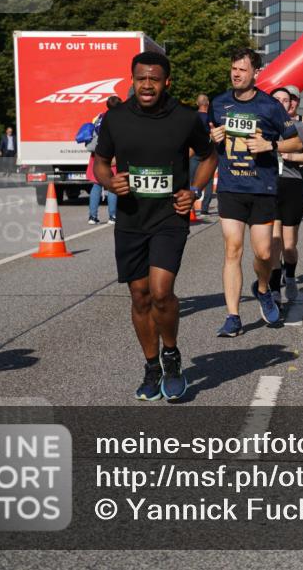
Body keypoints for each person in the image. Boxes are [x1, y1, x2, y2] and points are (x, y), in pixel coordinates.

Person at [93, 51, 217, 401]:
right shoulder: (115, 118)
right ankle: (151, 367)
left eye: (155, 79)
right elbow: (101, 162)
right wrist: (108, 182)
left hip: (168, 218)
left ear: (167, 82)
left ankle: (172, 356)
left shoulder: (185, 118)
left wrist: (193, 192)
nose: (147, 85)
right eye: (141, 78)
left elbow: (209, 156)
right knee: (139, 295)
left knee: (161, 293)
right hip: (131, 218)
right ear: (132, 80)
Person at [210, 48, 302, 337]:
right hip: (230, 187)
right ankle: (233, 316)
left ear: (255, 73)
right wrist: (213, 139)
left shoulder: (269, 107)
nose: (236, 74)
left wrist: (270, 146)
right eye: (233, 68)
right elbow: (212, 147)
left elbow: (296, 142)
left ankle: (262, 289)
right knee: (232, 249)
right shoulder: (219, 103)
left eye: (242, 69)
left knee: (263, 253)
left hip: (262, 188)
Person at [268, 87, 303, 306]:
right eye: (276, 100)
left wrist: (293, 156)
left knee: (288, 245)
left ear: (291, 104)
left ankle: (289, 276)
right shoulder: (263, 126)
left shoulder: (298, 127)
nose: (281, 103)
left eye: (285, 100)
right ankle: (273, 289)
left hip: (292, 185)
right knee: (273, 242)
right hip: (268, 186)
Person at [86, 96, 122, 224]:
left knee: (96, 185)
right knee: (112, 185)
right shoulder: (119, 119)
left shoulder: (99, 117)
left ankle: (92, 217)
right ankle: (112, 217)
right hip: (110, 156)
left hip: (96, 156)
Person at [190, 94, 215, 216]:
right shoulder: (212, 117)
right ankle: (205, 208)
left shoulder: (192, 117)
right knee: (208, 180)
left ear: (197, 103)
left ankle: (190, 204)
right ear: (208, 103)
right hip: (208, 152)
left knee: (191, 178)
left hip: (194, 151)